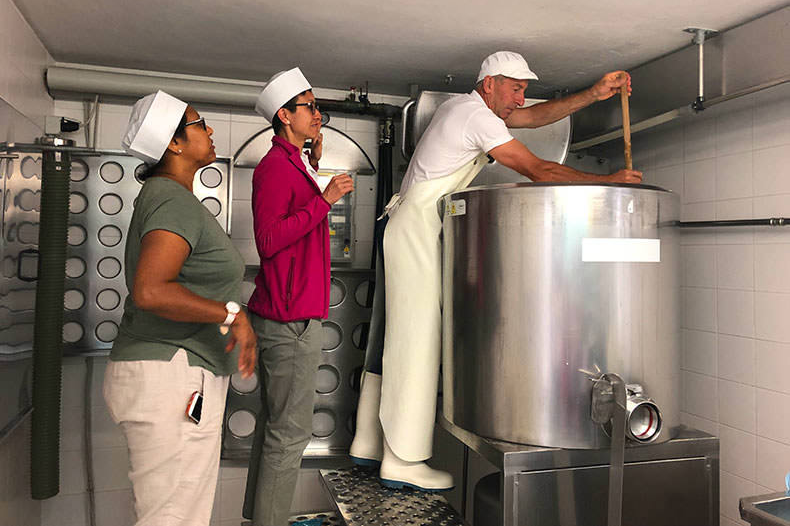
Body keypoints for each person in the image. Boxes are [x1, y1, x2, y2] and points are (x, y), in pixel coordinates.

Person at [350, 51, 643, 491]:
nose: (520, 98)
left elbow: (537, 116)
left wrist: (594, 94)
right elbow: (537, 170)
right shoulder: (476, 117)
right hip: (415, 231)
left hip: (410, 226)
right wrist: (609, 183)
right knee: (418, 338)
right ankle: (403, 459)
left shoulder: (471, 110)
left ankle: (368, 443)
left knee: (397, 333)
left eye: (524, 89)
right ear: (489, 84)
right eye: (515, 88)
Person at [103, 90, 257, 526]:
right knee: (173, 517)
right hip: (171, 374)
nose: (209, 131)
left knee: (174, 513)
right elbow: (151, 291)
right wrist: (233, 316)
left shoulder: (166, 197)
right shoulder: (170, 198)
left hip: (170, 374)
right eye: (199, 124)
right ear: (173, 144)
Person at [242, 68, 354, 526]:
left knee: (276, 431)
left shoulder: (290, 163)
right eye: (310, 107)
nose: (319, 115)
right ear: (284, 115)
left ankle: (258, 519)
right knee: (289, 435)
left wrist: (311, 163)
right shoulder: (272, 168)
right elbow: (269, 240)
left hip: (289, 315)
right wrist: (324, 199)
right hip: (289, 321)